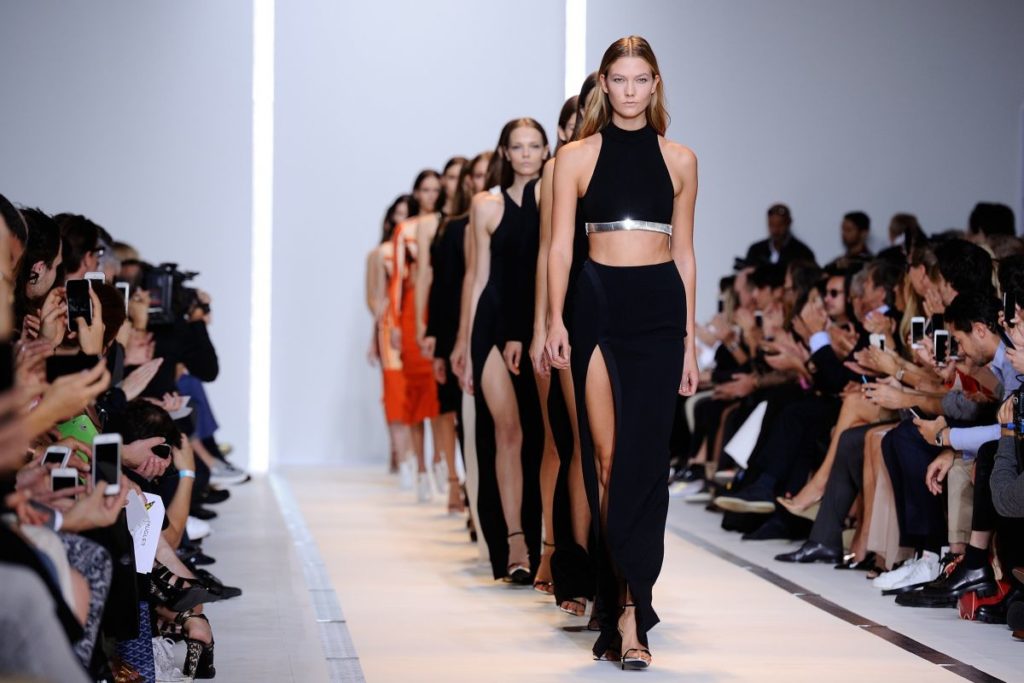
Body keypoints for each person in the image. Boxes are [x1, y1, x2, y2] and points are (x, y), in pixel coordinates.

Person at [546, 35, 698, 670]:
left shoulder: (681, 160)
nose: (630, 90)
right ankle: (616, 603)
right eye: (619, 79)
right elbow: (559, 247)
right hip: (597, 306)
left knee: (645, 465)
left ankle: (635, 609)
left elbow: (684, 253)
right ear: (603, 85)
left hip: (659, 311)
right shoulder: (574, 158)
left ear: (655, 84)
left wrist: (690, 343)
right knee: (606, 462)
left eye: (641, 79)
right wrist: (553, 318)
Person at [466, 118, 548, 584]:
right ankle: (515, 542)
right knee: (508, 432)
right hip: (491, 323)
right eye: (518, 146)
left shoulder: (554, 198)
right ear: (505, 152)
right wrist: (465, 343)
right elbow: (478, 278)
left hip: (533, 323)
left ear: (546, 149)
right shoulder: (485, 205)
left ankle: (545, 545)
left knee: (540, 438)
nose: (526, 154)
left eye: (534, 145)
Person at [415, 157, 467, 505]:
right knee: (446, 404)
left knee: (468, 405)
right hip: (445, 316)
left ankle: (466, 479)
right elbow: (426, 275)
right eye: (449, 176)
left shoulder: (477, 215)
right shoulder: (433, 224)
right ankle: (452, 479)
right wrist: (423, 324)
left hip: (472, 313)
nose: (454, 182)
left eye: (459, 176)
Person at [389, 171, 444, 502]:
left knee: (438, 392)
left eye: (436, 189)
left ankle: (440, 461)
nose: (431, 195)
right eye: (425, 190)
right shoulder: (406, 230)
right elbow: (397, 278)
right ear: (416, 193)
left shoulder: (447, 224)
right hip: (413, 311)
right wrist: (395, 323)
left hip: (440, 306)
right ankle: (421, 467)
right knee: (415, 390)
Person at [745, 203, 815, 267]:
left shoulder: (802, 254)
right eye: (771, 225)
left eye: (780, 225)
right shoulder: (756, 251)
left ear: (789, 223)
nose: (775, 230)